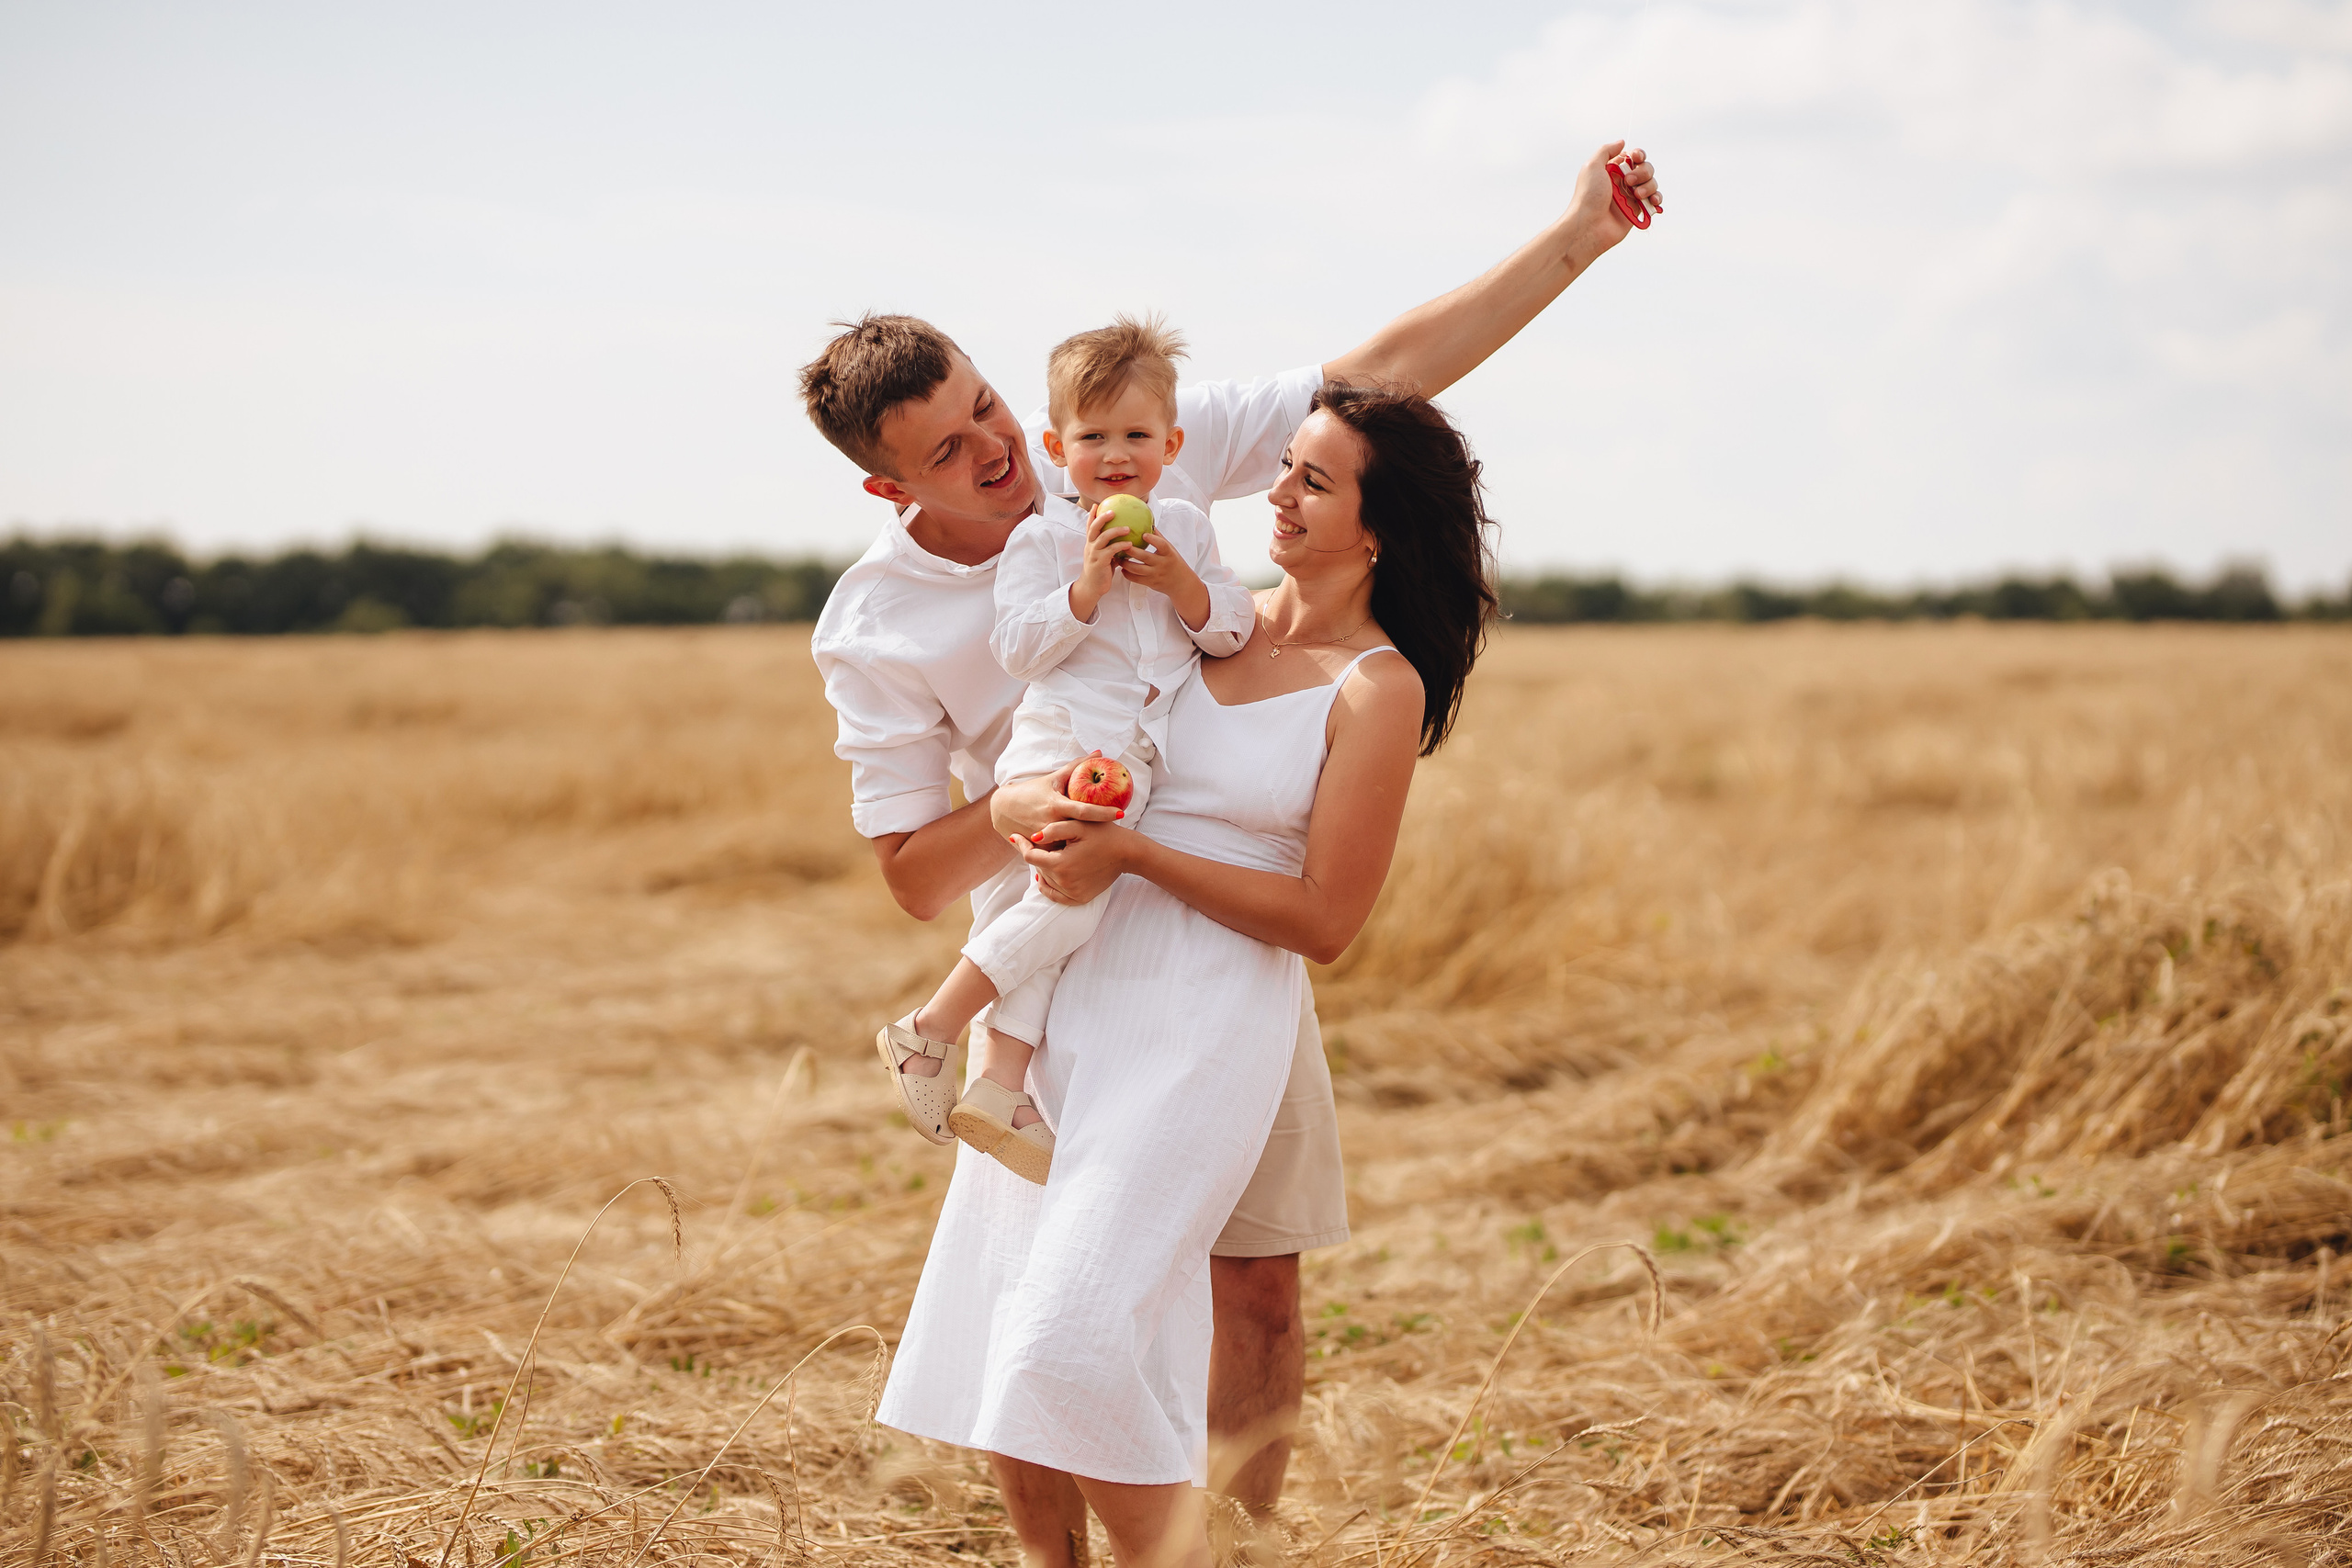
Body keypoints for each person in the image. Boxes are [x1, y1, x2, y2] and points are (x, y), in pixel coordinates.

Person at [798, 141, 1661, 1540]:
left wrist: (1575, 238)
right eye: (951, 452)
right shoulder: (877, 626)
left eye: (990, 406)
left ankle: (1234, 1542)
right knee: (1022, 1298)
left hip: (1222, 932)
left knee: (1254, 1274)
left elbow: (1376, 380)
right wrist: (1019, 814)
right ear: (891, 492)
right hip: (1052, 947)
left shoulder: (1125, 444)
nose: (1003, 450)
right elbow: (907, 874)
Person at [879, 383, 1498, 1568]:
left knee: (1069, 1339)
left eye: (1313, 480)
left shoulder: (1377, 686)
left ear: (1380, 528)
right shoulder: (1198, 611)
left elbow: (1326, 920)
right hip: (1076, 993)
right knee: (1006, 1325)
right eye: (1286, 468)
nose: (1276, 489)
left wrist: (1136, 854)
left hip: (1206, 1017)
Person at [876, 316, 1256, 1184]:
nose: (1116, 455)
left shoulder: (1189, 531)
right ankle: (930, 1029)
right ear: (1057, 445)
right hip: (1059, 757)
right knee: (1073, 906)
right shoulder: (1042, 542)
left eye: (1137, 435)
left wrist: (1184, 588)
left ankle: (1002, 1079)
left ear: (1172, 443)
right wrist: (1086, 588)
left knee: (1054, 911)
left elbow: (1234, 630)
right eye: (1092, 437)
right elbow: (1016, 648)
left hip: (1135, 764)